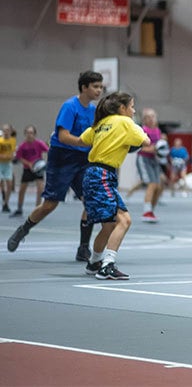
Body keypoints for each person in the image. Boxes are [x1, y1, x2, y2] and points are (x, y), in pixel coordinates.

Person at [7, 71, 103, 261]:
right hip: (62, 158)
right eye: (95, 86)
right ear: (84, 87)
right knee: (50, 204)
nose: (99, 90)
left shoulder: (94, 111)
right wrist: (84, 143)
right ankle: (23, 229)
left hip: (83, 160)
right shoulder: (70, 107)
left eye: (101, 87)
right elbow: (63, 136)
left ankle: (83, 247)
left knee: (90, 202)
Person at [74, 91, 149, 280]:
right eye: (131, 107)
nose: (133, 110)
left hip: (91, 174)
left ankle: (94, 263)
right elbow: (146, 141)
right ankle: (108, 265)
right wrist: (133, 136)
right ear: (122, 108)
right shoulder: (125, 122)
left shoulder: (100, 123)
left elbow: (83, 139)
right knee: (124, 221)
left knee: (108, 226)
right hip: (103, 176)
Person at [12, 125, 49, 217]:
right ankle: (19, 208)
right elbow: (19, 157)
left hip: (38, 169)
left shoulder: (39, 143)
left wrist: (44, 163)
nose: (29, 135)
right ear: (25, 134)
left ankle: (38, 209)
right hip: (27, 170)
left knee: (40, 188)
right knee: (22, 189)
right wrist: (29, 164)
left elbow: (48, 150)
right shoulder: (22, 146)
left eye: (31, 133)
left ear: (35, 134)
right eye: (28, 133)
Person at [136, 108, 164, 223]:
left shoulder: (157, 131)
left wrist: (161, 149)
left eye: (153, 116)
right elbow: (138, 147)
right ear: (144, 119)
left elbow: (159, 147)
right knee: (152, 185)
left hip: (154, 160)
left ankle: (151, 210)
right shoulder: (142, 130)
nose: (151, 119)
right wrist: (152, 148)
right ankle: (146, 211)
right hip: (144, 159)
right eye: (148, 117)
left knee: (159, 186)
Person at [0, 124, 16, 213]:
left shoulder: (13, 141)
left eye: (7, 130)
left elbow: (12, 154)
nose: (6, 132)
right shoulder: (0, 140)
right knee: (1, 182)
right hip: (0, 164)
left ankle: (6, 203)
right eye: (4, 130)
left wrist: (10, 156)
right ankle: (3, 194)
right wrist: (6, 156)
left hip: (8, 164)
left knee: (9, 184)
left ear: (10, 131)